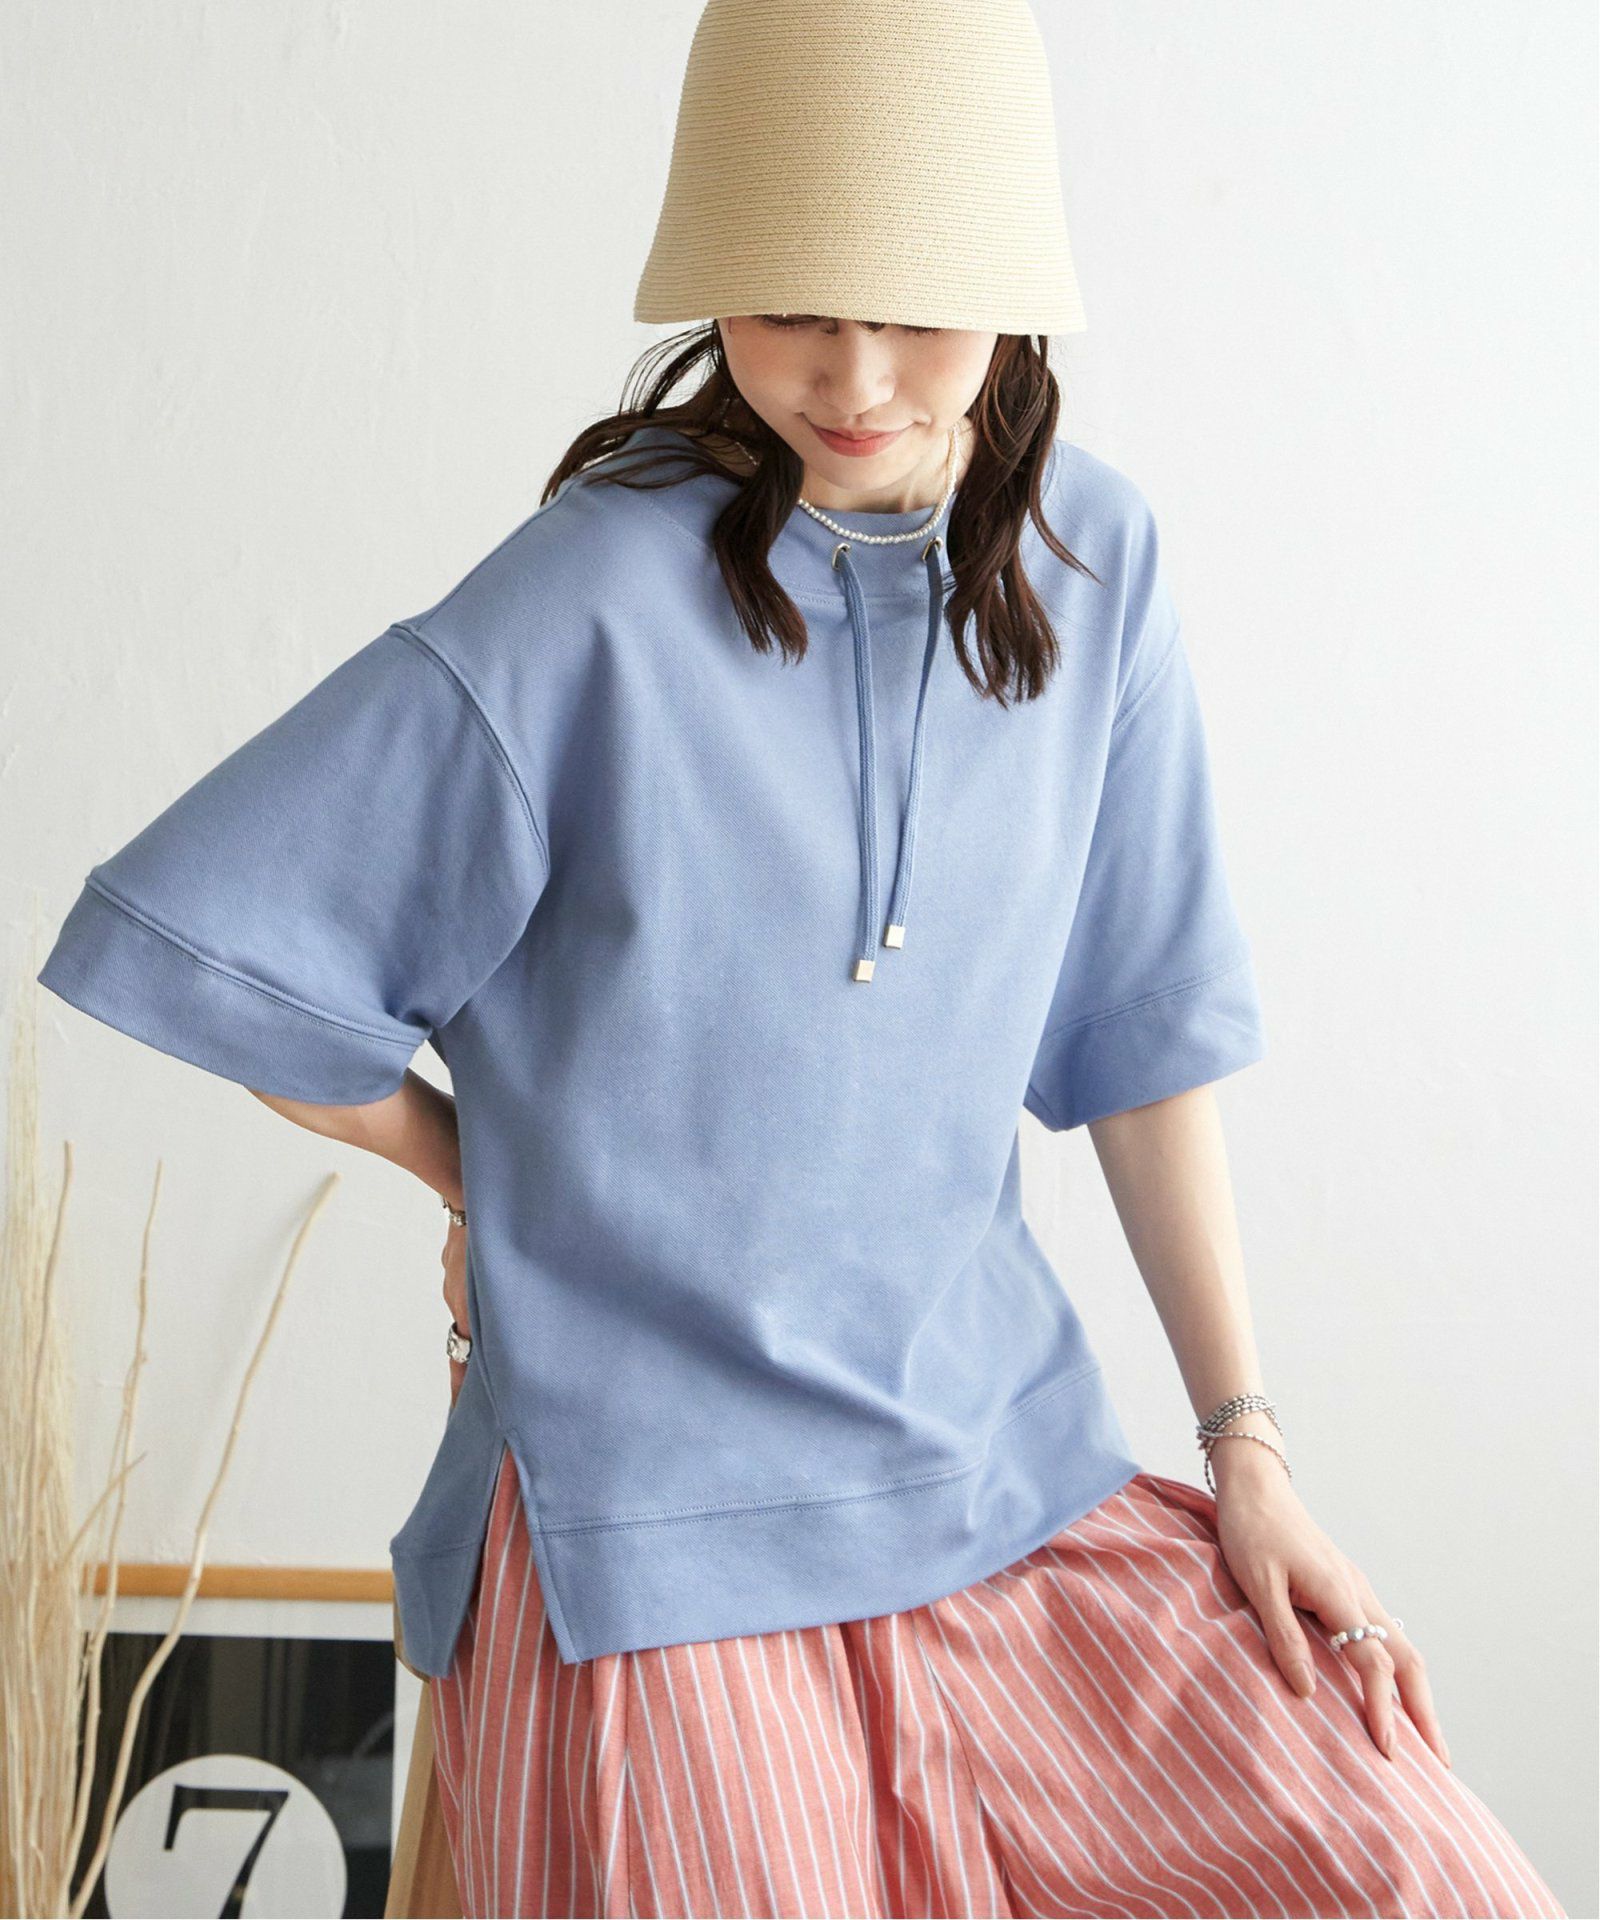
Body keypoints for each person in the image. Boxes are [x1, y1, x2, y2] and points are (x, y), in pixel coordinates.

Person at [36, 1, 1567, 1915]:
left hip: (1007, 1476)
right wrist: (482, 1168)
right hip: (655, 1530)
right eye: (788, 308)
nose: (851, 377)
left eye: (914, 309)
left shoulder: (1097, 565)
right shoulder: (592, 592)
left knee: (1425, 1877)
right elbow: (224, 937)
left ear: (1015, 289)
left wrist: (1246, 1447)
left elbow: (1143, 1038)